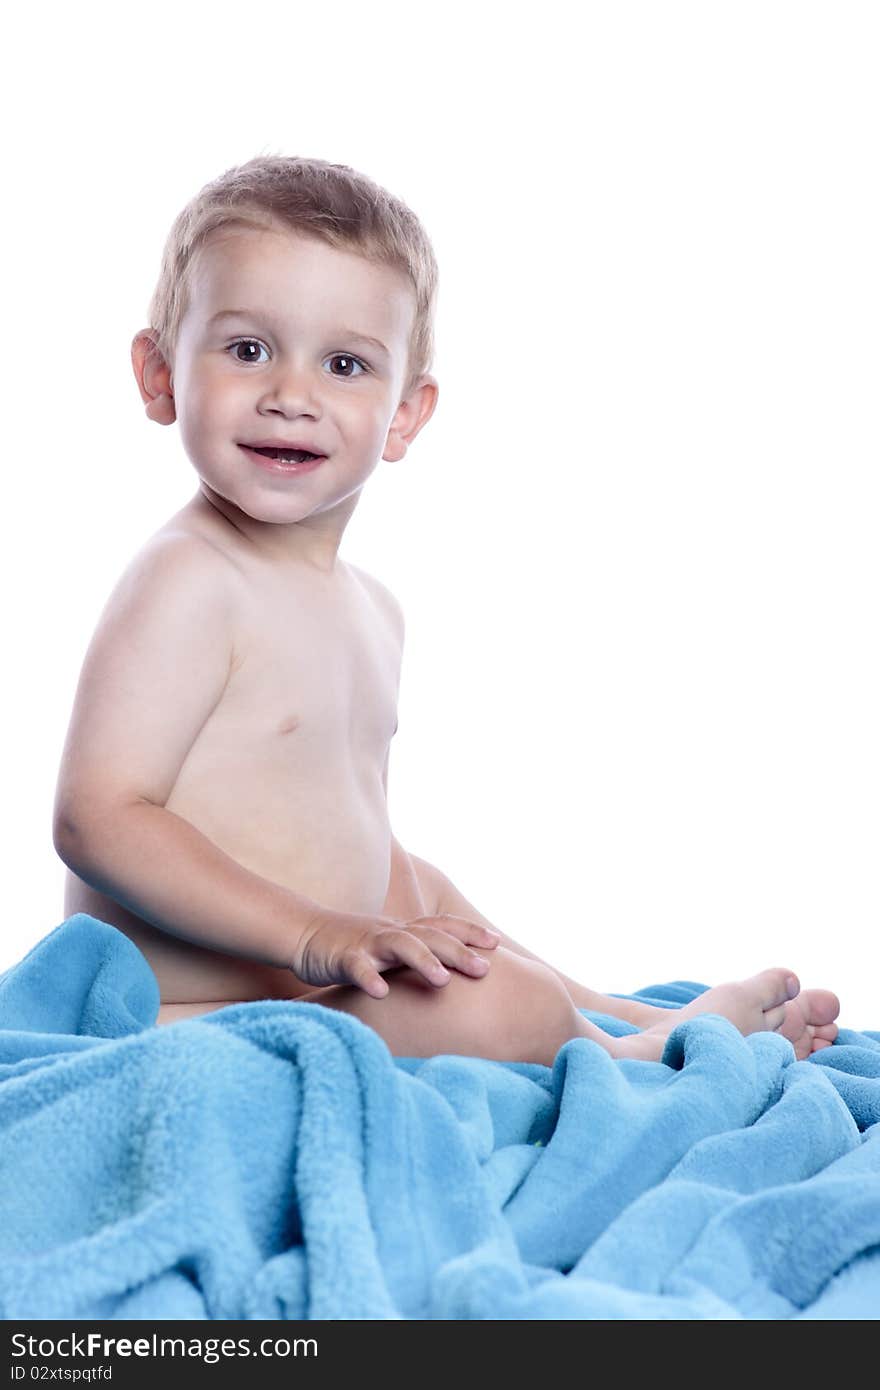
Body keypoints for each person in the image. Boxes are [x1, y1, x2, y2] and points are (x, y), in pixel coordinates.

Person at [52, 154, 840, 1067]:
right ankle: (627, 1054)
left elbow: (360, 844)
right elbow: (99, 817)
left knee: (442, 915)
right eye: (247, 349)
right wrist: (317, 933)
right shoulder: (191, 580)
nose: (292, 394)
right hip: (186, 1017)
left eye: (344, 363)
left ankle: (603, 1009)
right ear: (159, 374)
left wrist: (412, 928)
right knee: (494, 1008)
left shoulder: (372, 610)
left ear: (404, 417)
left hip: (328, 978)